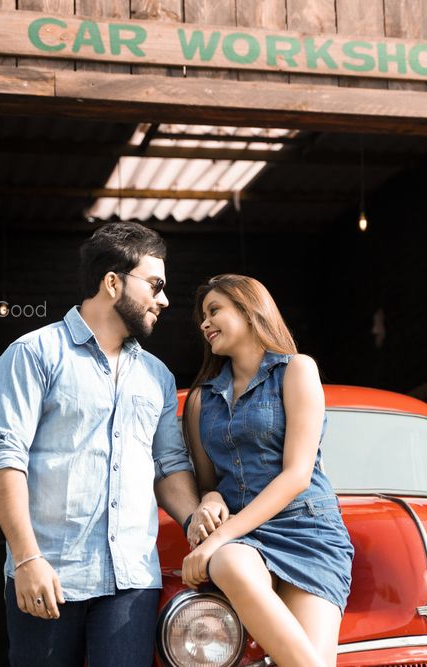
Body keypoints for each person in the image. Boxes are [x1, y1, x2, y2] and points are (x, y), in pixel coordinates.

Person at [0, 222, 224, 666]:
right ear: (113, 282)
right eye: (155, 285)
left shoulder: (158, 377)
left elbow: (167, 465)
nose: (164, 300)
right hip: (48, 575)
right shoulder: (33, 354)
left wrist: (197, 524)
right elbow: (4, 460)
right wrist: (27, 557)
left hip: (131, 583)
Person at [180, 273, 354, 667]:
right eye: (202, 318)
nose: (205, 324)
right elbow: (209, 483)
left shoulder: (296, 370)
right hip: (245, 536)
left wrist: (211, 541)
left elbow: (297, 475)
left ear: (248, 308)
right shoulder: (200, 401)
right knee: (227, 562)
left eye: (214, 311)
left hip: (307, 528)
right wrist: (209, 499)